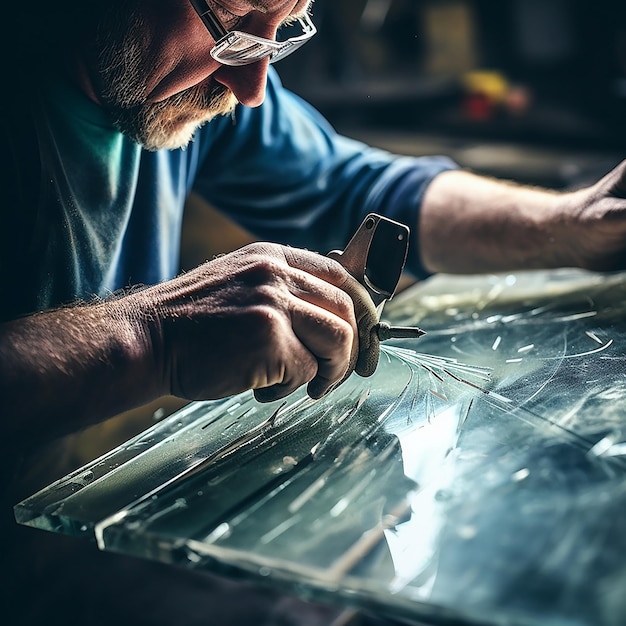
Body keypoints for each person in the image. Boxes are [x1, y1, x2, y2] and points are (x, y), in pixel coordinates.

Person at [1, 0, 625, 624]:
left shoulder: (198, 79)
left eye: (283, 29)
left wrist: (569, 225)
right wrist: (149, 338)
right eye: (237, 20)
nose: (251, 88)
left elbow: (343, 185)